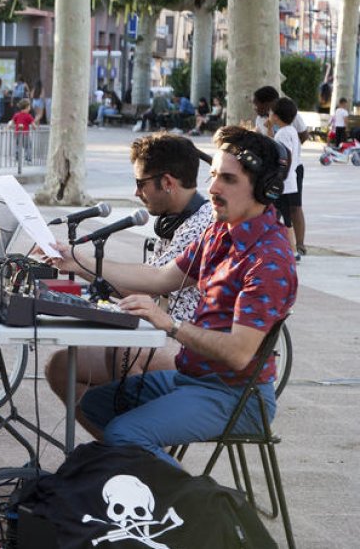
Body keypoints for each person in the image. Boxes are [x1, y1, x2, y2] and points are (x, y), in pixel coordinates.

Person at [46, 126, 297, 466]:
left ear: (265, 188)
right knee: (95, 405)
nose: (213, 188)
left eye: (228, 179)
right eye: (212, 176)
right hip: (192, 379)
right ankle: (144, 488)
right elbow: (162, 278)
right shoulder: (220, 231)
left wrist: (170, 323)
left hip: (236, 396)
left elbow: (239, 355)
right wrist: (75, 259)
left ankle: (190, 510)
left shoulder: (269, 259)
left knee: (125, 433)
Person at [44, 134, 214, 431]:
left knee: (124, 351)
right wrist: (78, 266)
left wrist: (81, 261)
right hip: (160, 335)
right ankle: (121, 452)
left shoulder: (202, 226)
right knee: (60, 366)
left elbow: (156, 282)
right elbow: (143, 287)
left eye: (141, 183)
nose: (136, 193)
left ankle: (140, 454)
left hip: (190, 343)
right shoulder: (175, 221)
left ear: (168, 183)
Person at [252, 86, 309, 258]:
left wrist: (283, 172)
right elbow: (270, 144)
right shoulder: (270, 123)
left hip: (287, 174)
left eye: (257, 104)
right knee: (276, 210)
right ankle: (279, 244)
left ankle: (296, 247)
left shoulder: (289, 117)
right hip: (283, 174)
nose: (255, 107)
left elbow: (286, 152)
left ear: (271, 106)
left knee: (291, 210)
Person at [271, 97, 302, 254]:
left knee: (284, 218)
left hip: (283, 183)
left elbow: (286, 155)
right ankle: (288, 248)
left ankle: (292, 250)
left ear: (276, 116)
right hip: (290, 182)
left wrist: (280, 176)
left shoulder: (282, 134)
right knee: (281, 215)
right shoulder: (291, 131)